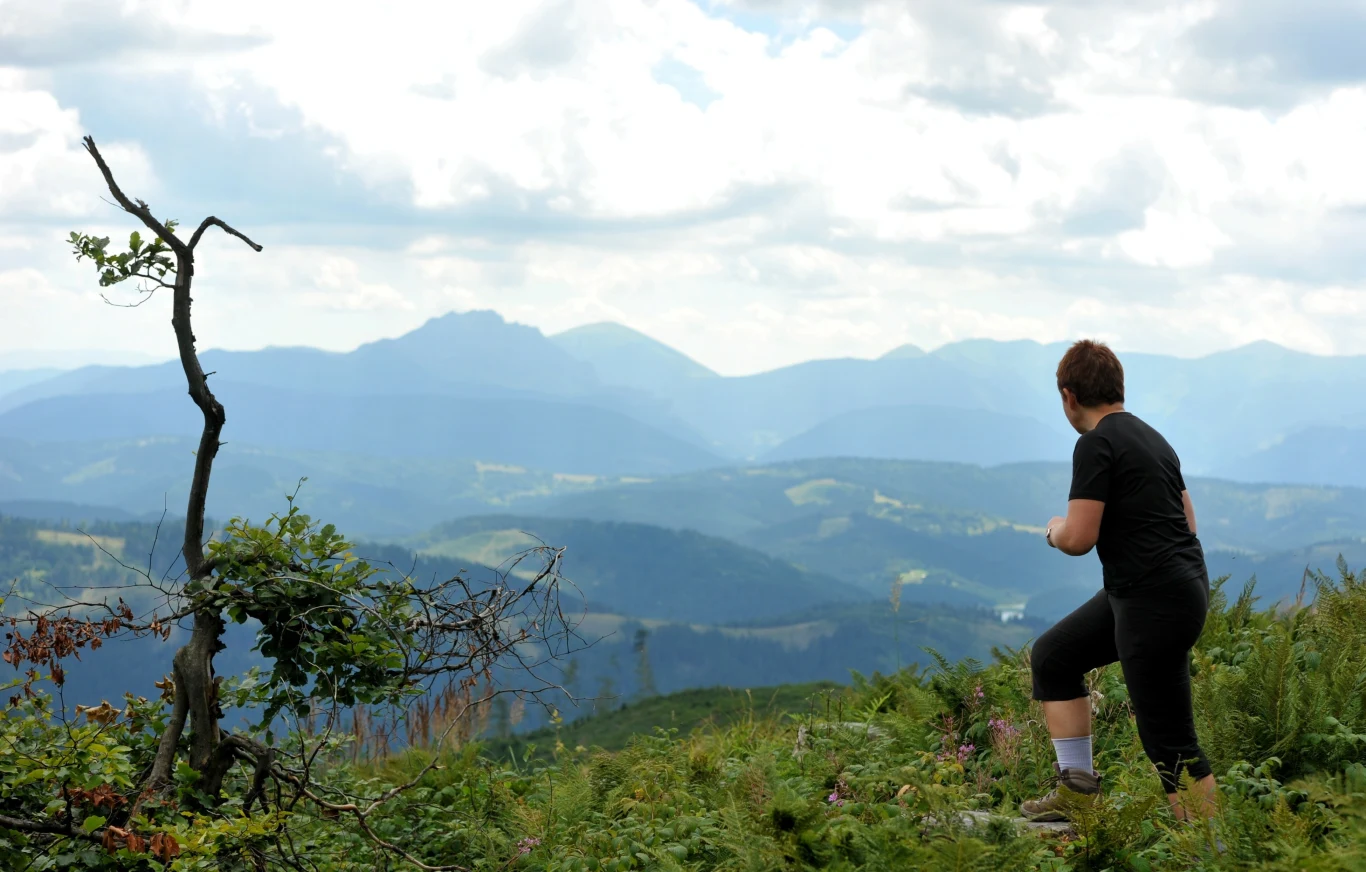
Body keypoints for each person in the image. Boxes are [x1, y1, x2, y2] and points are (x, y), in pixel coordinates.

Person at [1021, 339, 1216, 824]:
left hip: (1151, 601)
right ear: (1118, 388)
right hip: (1172, 588)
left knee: (1169, 741)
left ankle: (1211, 852)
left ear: (1068, 396)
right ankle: (1078, 792)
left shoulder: (1095, 443)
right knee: (1055, 657)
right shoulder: (1153, 438)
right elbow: (1189, 521)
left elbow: (1079, 537)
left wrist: (1052, 531)